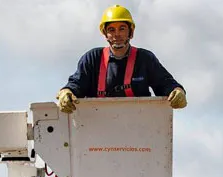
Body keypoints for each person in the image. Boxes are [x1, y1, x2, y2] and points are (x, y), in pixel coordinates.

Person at [56, 4, 186, 114]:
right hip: (96, 130)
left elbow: (165, 83)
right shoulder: (93, 58)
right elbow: (77, 84)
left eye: (122, 29)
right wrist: (67, 92)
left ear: (131, 32)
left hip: (139, 129)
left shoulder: (145, 59)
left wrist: (177, 91)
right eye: (111, 30)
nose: (116, 34)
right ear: (105, 35)